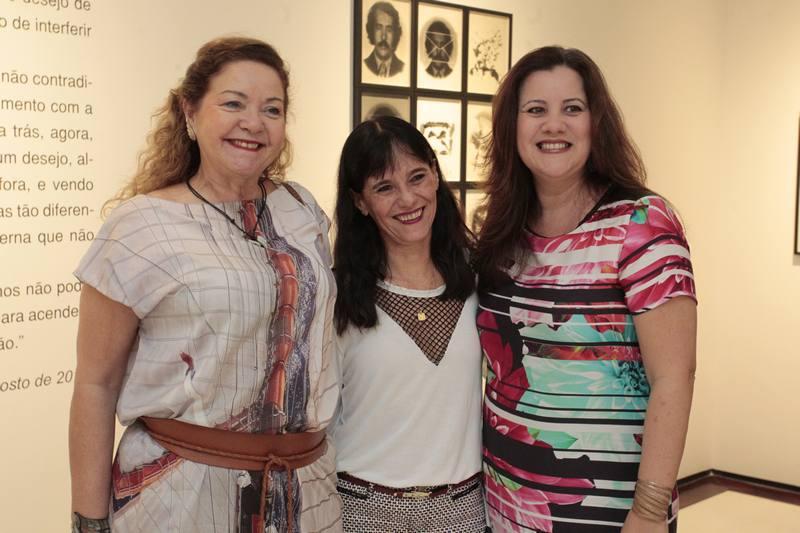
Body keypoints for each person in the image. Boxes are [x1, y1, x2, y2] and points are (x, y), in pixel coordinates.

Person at [68, 37, 341, 533]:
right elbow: (95, 384)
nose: (253, 122)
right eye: (233, 103)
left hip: (307, 494)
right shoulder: (140, 226)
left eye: (272, 109)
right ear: (189, 112)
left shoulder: (302, 211)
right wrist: (88, 523)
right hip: (180, 499)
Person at [474, 46, 697, 533]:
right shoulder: (500, 229)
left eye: (572, 108)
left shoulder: (642, 222)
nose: (554, 125)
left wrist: (648, 511)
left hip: (609, 510)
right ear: (513, 125)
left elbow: (674, 377)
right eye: (536, 110)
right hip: (507, 503)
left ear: (597, 122)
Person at [330, 116, 485, 532]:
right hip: (362, 509)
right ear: (360, 201)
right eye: (384, 187)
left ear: (435, 175)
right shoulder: (337, 298)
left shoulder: (478, 280)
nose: (407, 198)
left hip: (463, 510)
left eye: (417, 177)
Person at [364, 1, 405, 77]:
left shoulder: (402, 68)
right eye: (378, 28)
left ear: (395, 33)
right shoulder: (364, 66)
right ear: (371, 30)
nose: (383, 37)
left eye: (389, 30)